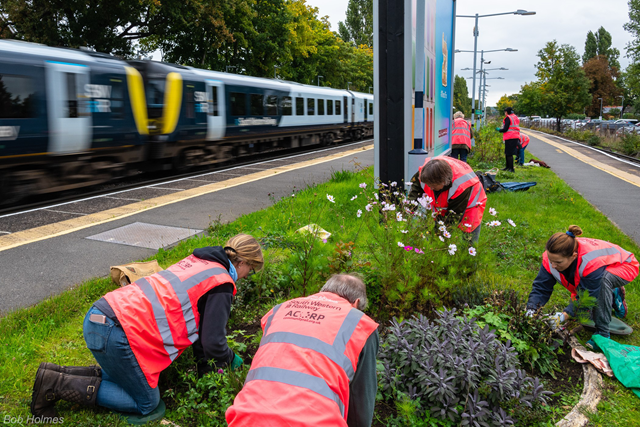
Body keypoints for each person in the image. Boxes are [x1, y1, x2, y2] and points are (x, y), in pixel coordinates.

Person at [31, 234, 264, 418]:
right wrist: (231, 359)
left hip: (101, 314)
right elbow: (213, 342)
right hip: (117, 333)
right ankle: (57, 385)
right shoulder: (221, 283)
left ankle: (53, 374)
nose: (246, 277)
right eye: (250, 271)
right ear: (242, 262)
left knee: (125, 378)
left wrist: (206, 371)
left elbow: (203, 336)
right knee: (147, 403)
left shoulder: (199, 261)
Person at [225, 274, 379, 427]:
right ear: (356, 303)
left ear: (323, 291)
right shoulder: (358, 323)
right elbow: (360, 405)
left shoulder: (280, 310)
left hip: (247, 417)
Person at [526, 225, 638, 351]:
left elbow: (588, 294)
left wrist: (564, 316)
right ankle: (611, 293)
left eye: (558, 262)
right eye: (551, 260)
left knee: (602, 282)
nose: (553, 265)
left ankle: (603, 335)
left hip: (624, 265)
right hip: (596, 271)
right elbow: (541, 287)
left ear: (573, 256)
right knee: (587, 289)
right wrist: (531, 309)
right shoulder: (553, 257)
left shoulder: (590, 262)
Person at [408, 157, 486, 243]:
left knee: (469, 238)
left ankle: (468, 254)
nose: (429, 188)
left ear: (444, 182)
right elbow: (415, 190)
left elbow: (453, 216)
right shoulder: (426, 172)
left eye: (433, 186)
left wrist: (438, 235)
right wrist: (409, 209)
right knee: (439, 233)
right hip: (447, 201)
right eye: (428, 184)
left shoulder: (461, 185)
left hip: (471, 204)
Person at [497, 107, 521, 172]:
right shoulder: (515, 117)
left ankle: (511, 169)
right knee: (508, 153)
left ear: (507, 112)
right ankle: (508, 167)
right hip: (515, 136)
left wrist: (499, 130)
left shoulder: (508, 118)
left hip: (510, 137)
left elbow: (505, 129)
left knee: (509, 153)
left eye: (505, 112)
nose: (505, 113)